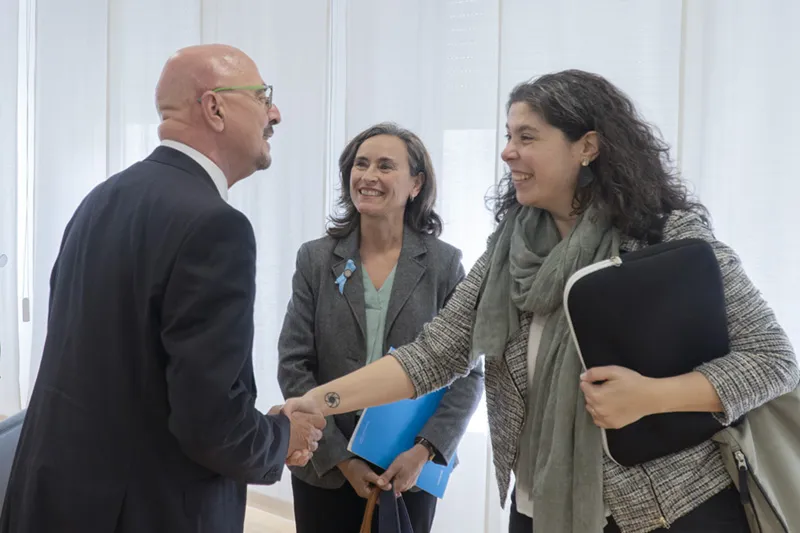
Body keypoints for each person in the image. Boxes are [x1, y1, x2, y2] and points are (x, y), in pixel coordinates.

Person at [283, 70, 799, 533]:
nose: (508, 151)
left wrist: (650, 396)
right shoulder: (511, 246)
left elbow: (772, 361)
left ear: (587, 147)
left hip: (661, 510)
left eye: (526, 137)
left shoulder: (667, 237)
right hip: (536, 504)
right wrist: (318, 401)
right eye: (509, 136)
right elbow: (434, 355)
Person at [0, 44, 325, 533]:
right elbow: (211, 425)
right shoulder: (217, 227)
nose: (274, 112)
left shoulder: (102, 199)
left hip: (59, 499)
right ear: (214, 108)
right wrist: (283, 435)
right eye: (262, 96)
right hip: (145, 509)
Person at [277, 123, 484, 533]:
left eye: (386, 166)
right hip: (325, 463)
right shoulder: (316, 259)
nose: (369, 176)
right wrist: (341, 458)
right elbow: (294, 363)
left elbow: (469, 372)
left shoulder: (444, 265)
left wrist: (424, 451)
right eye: (361, 164)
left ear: (416, 184)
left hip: (408, 469)